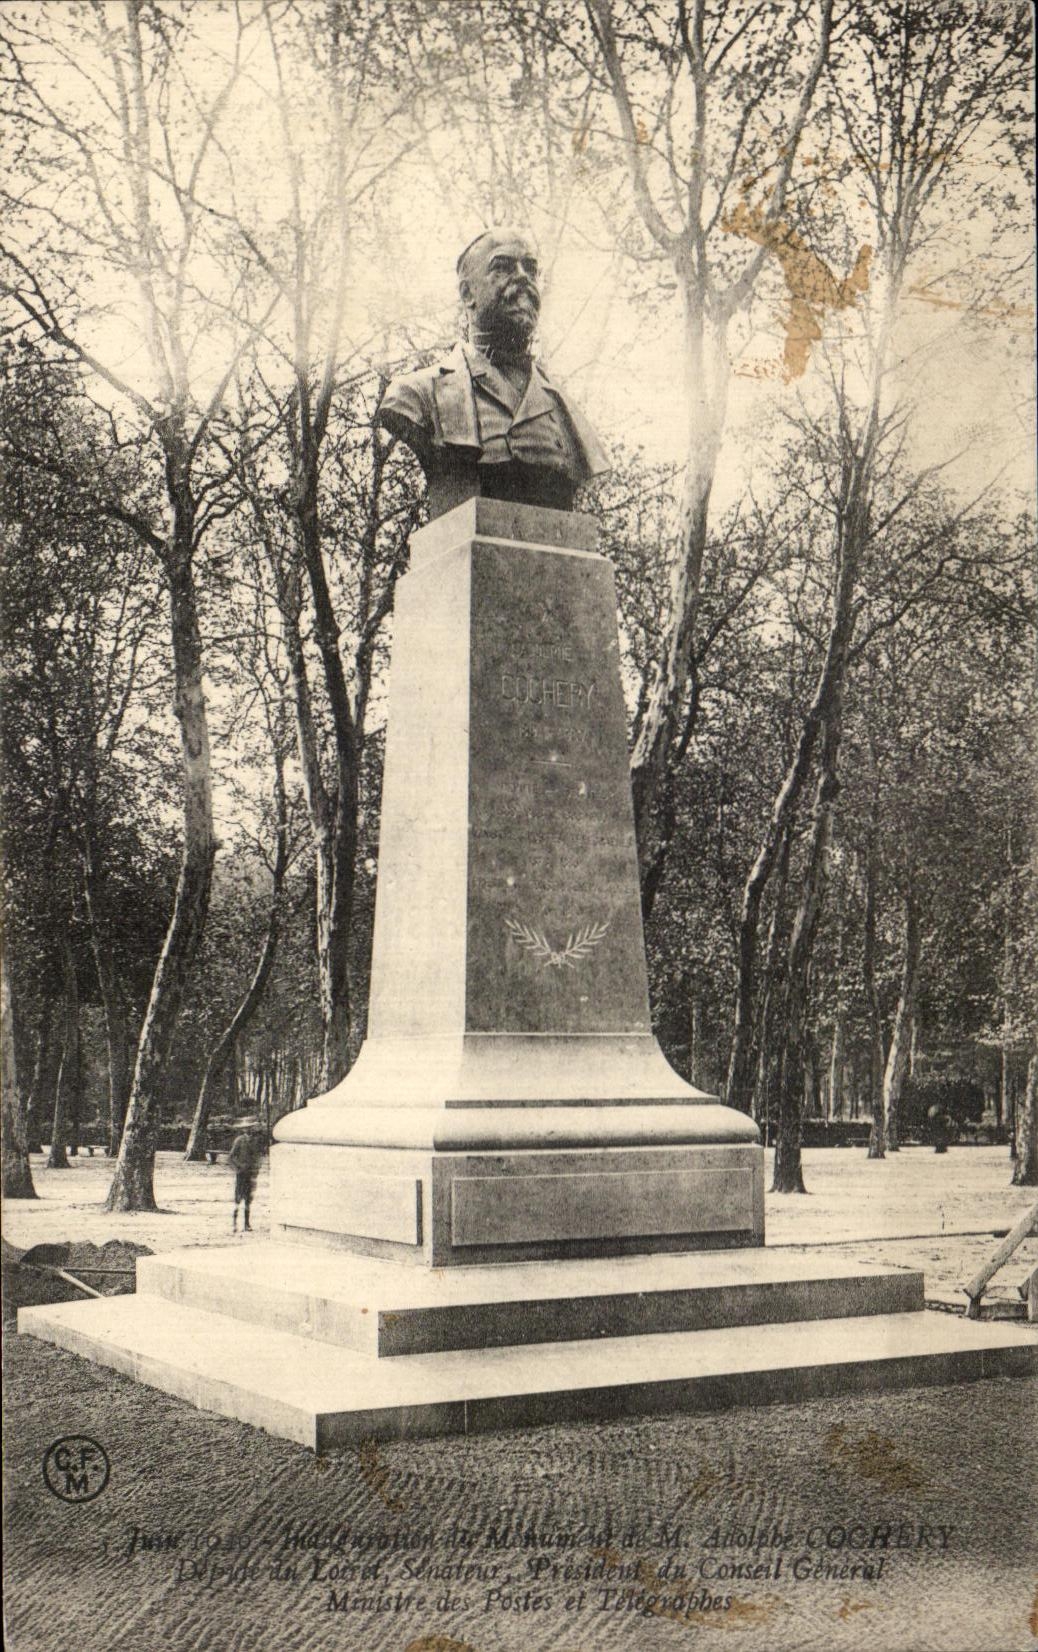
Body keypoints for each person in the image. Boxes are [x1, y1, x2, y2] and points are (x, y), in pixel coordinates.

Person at [378, 226, 609, 518]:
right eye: (502, 267)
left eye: (530, 269)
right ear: (467, 294)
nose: (523, 277)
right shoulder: (418, 394)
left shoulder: (563, 407)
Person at [227, 1116, 264, 1232]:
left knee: (249, 1199)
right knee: (238, 1198)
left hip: (251, 1173)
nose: (248, 1130)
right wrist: (238, 1168)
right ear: (242, 1129)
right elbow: (231, 1157)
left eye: (250, 1128)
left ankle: (247, 1224)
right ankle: (234, 1223)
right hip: (241, 1173)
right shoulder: (239, 1140)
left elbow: (258, 1156)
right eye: (246, 1128)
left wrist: (257, 1167)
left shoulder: (255, 1140)